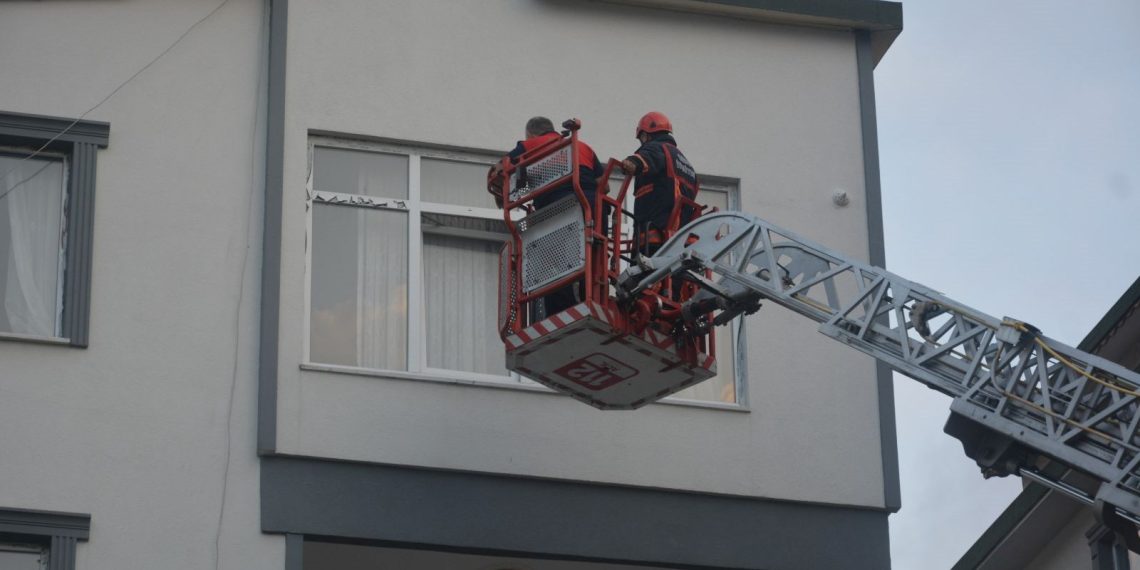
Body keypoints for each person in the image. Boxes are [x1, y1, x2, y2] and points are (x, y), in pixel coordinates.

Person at [495, 117, 604, 317]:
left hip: (558, 209)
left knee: (553, 265)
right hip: (595, 207)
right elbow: (602, 184)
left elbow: (501, 170)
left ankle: (560, 311)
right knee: (592, 257)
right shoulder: (583, 147)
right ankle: (593, 297)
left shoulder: (531, 145)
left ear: (531, 134)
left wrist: (502, 195)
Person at [621, 111, 700, 256]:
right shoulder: (687, 166)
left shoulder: (657, 147)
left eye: (642, 138)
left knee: (643, 277)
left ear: (646, 135)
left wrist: (629, 163)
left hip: (655, 236)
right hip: (682, 241)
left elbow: (639, 161)